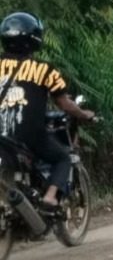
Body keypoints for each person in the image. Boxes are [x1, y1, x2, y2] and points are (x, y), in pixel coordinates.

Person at [0, 12, 96, 213]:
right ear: (34, 39)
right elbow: (64, 103)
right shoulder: (45, 70)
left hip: (2, 136)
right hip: (29, 135)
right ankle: (50, 197)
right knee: (63, 157)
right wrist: (84, 114)